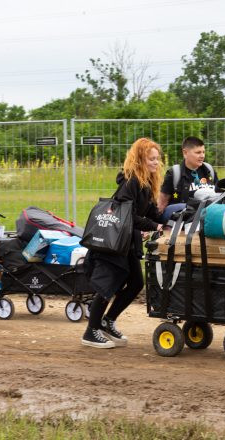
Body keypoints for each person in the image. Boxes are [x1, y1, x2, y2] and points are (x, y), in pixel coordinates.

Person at [82, 137, 164, 349]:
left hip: (127, 242)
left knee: (136, 283)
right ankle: (91, 331)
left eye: (157, 159)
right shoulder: (130, 182)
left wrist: (172, 219)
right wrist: (153, 227)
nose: (156, 163)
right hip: (115, 243)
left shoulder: (148, 183)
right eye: (151, 159)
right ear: (139, 160)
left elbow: (153, 213)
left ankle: (107, 322)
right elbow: (126, 216)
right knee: (108, 284)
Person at [157, 136, 218, 221]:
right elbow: (161, 205)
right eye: (198, 152)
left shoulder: (209, 171)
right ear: (185, 153)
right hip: (181, 222)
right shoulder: (174, 174)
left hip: (207, 220)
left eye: (203, 152)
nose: (202, 156)